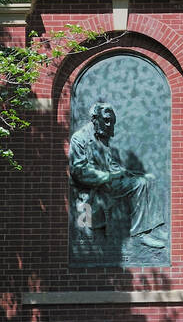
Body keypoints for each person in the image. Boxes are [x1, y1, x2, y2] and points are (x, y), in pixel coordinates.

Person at [68, 101, 166, 248]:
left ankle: (153, 227)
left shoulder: (102, 137)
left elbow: (110, 164)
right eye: (106, 120)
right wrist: (108, 177)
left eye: (112, 122)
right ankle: (140, 234)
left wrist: (129, 174)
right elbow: (79, 171)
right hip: (93, 186)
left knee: (147, 180)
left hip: (109, 183)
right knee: (140, 185)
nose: (109, 125)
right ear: (95, 118)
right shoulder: (79, 138)